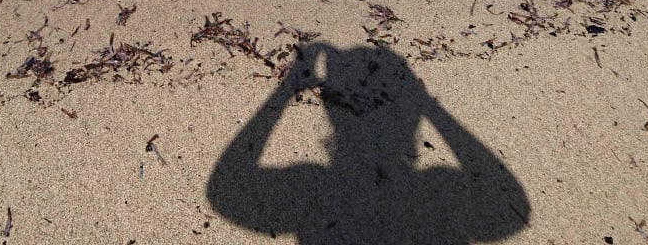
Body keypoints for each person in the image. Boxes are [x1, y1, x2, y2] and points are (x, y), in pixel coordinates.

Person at [207, 42, 529, 244]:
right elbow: (512, 206)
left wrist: (284, 92)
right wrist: (429, 104)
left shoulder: (314, 188)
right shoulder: (437, 190)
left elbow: (225, 187)